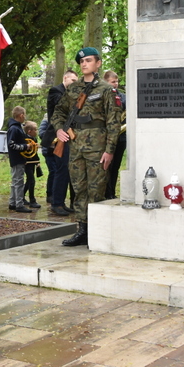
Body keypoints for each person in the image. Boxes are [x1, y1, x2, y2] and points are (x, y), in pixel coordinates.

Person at [51, 47, 123, 246]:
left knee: (96, 189)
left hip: (98, 147)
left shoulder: (106, 90)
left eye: (89, 61)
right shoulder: (73, 89)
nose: (84, 64)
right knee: (78, 188)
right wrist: (58, 130)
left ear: (98, 63)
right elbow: (58, 112)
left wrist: (109, 150)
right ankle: (82, 230)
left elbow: (113, 122)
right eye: (81, 62)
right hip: (76, 146)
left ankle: (97, 232)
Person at [42, 70, 78, 216]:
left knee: (67, 171)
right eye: (73, 80)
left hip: (67, 136)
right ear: (65, 78)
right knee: (61, 170)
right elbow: (61, 106)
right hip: (57, 136)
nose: (75, 83)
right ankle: (56, 203)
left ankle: (62, 203)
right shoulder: (55, 91)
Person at [103, 70, 126, 200]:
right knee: (107, 166)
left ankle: (112, 192)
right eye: (113, 82)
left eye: (117, 81)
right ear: (106, 82)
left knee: (115, 166)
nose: (116, 84)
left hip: (121, 137)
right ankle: (107, 192)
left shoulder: (123, 97)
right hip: (107, 136)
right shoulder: (102, 95)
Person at [7, 106, 32, 213]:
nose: (24, 117)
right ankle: (19, 204)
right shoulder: (14, 128)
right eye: (24, 115)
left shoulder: (16, 127)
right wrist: (25, 147)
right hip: (17, 159)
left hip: (17, 159)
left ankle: (12, 203)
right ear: (21, 115)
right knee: (19, 182)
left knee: (15, 182)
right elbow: (11, 145)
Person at [23, 120, 43, 209]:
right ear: (29, 131)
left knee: (29, 181)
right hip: (27, 163)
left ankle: (21, 196)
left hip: (33, 162)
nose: (37, 131)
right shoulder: (24, 140)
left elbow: (34, 152)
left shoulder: (34, 139)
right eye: (35, 130)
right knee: (31, 181)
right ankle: (32, 200)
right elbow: (24, 151)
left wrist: (37, 161)